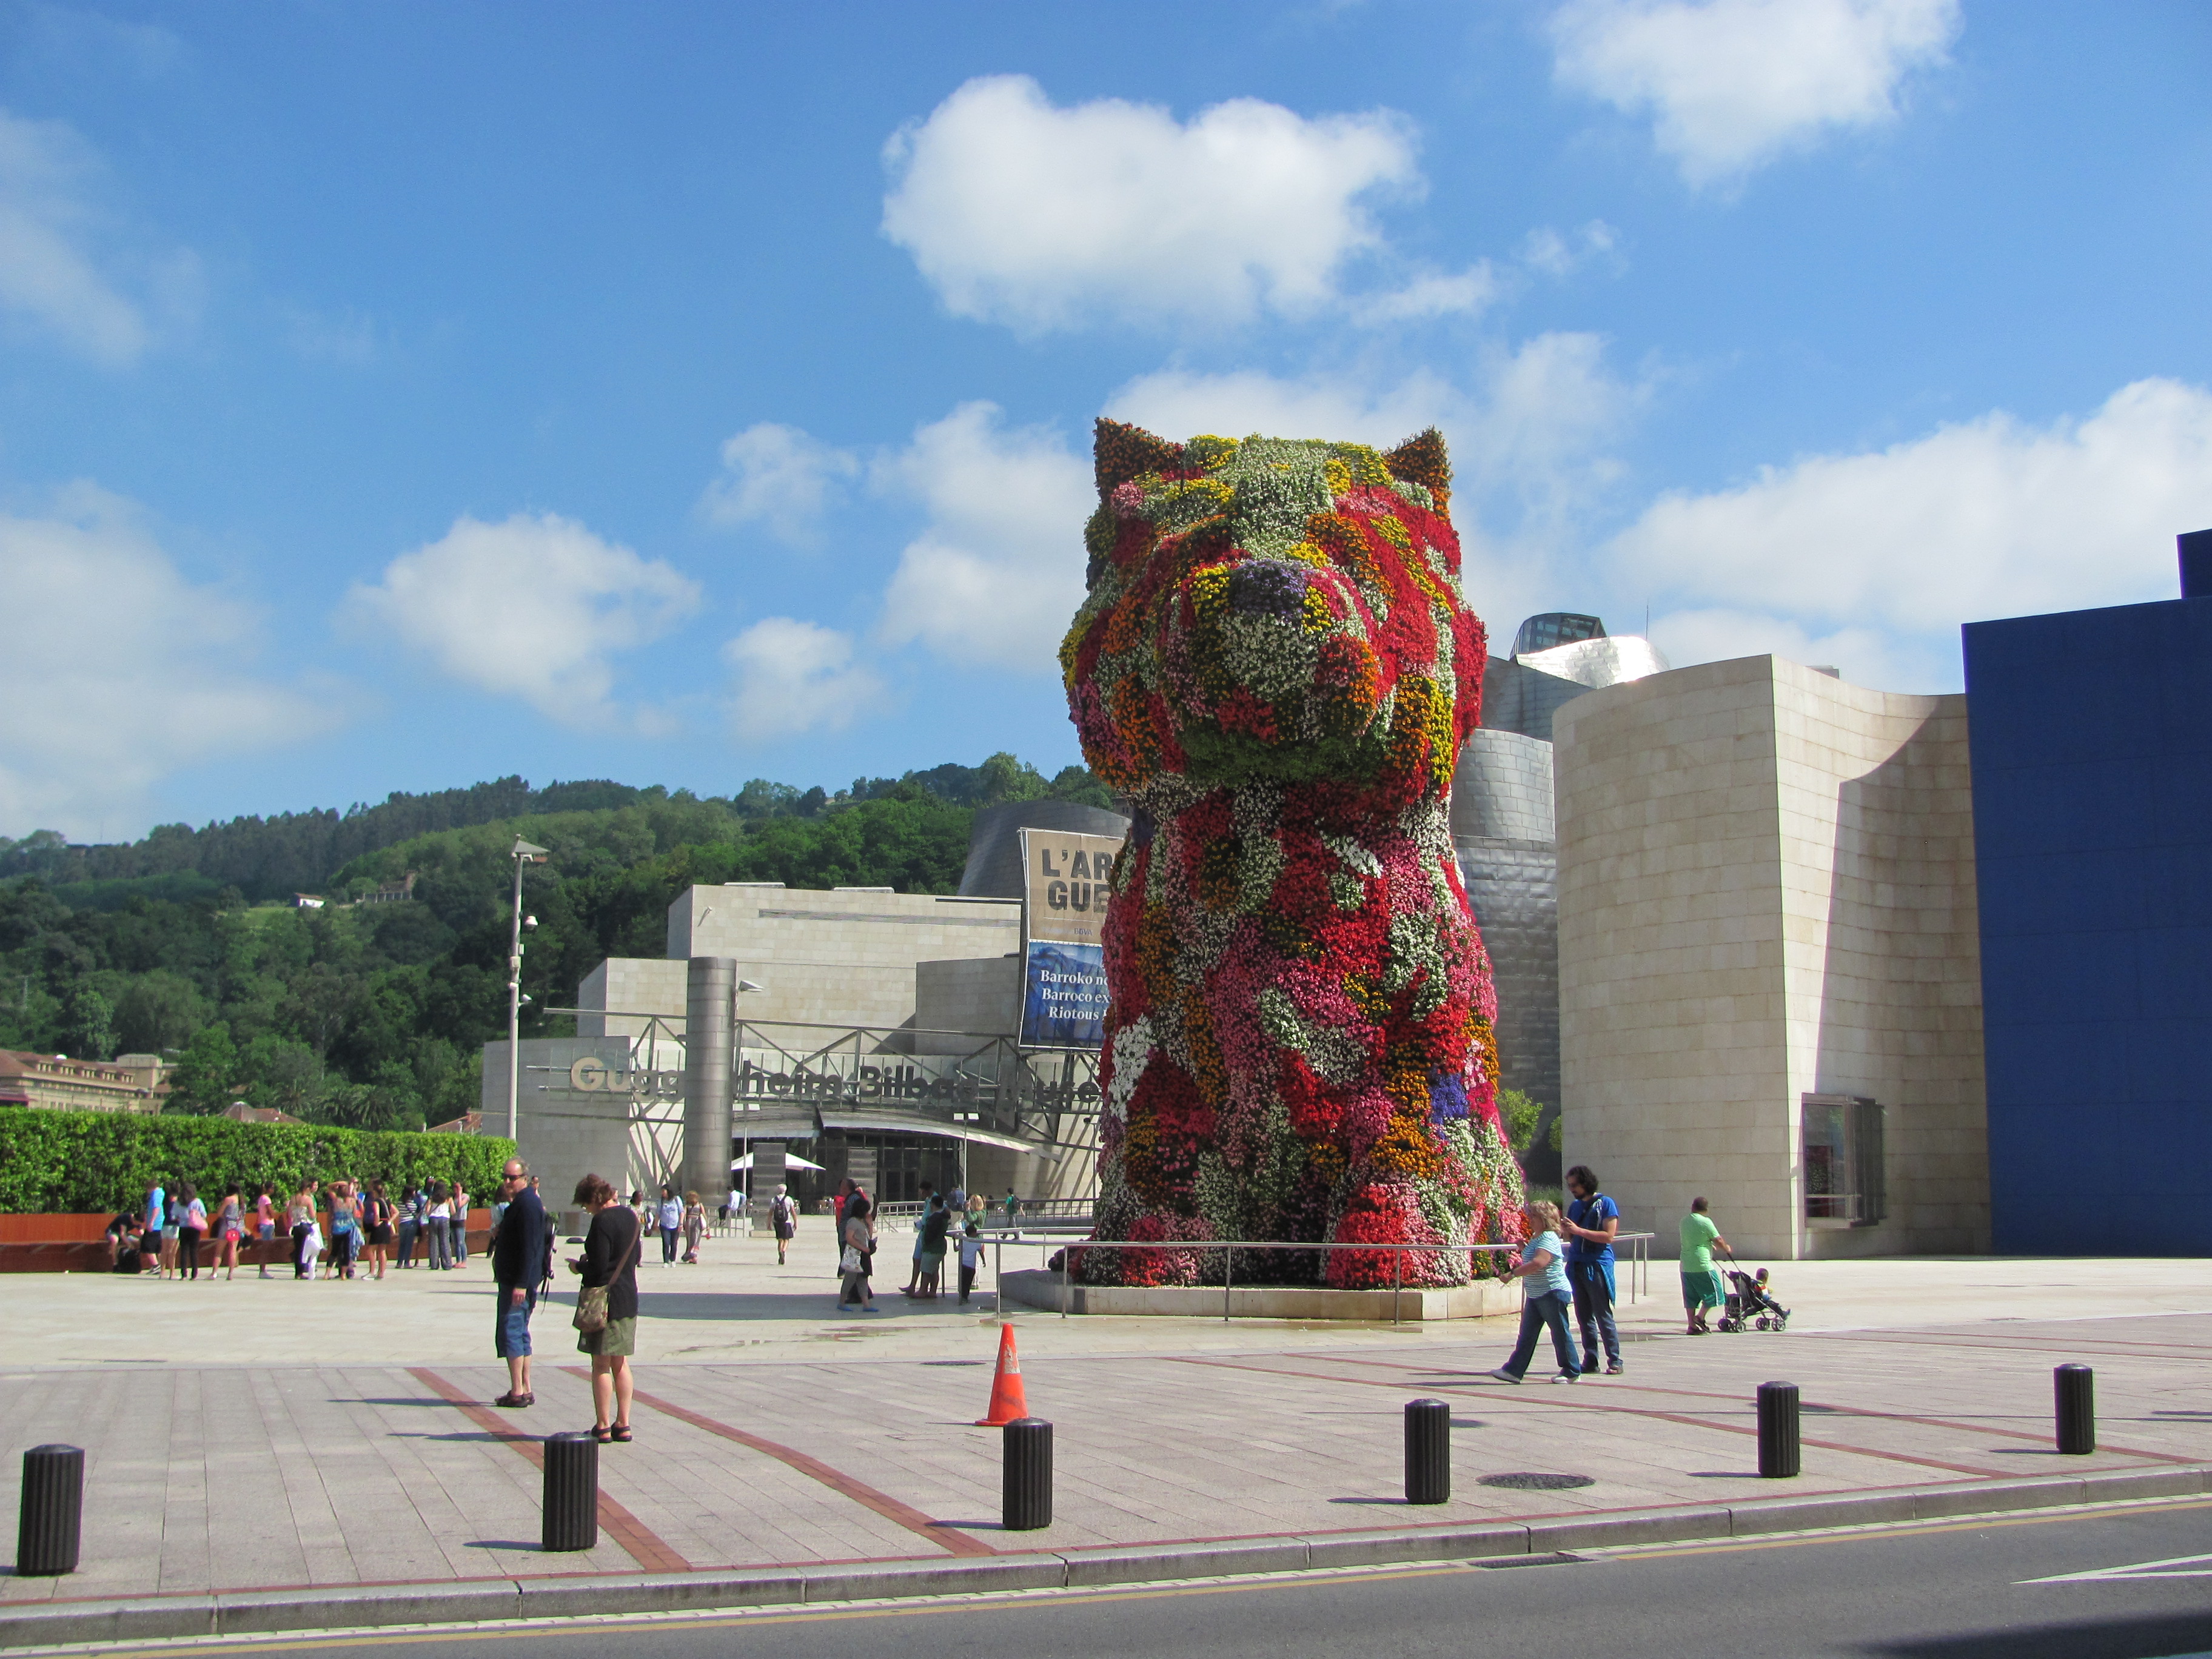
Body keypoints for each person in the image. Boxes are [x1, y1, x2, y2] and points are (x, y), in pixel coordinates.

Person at [569, 1173, 642, 1443]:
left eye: (586, 1205)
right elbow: (636, 1257)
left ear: (594, 1199)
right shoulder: (630, 1217)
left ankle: (602, 1425)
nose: (586, 1211)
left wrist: (580, 1267)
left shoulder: (602, 1221)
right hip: (627, 1297)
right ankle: (624, 1423)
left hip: (605, 1303)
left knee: (600, 1364)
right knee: (621, 1363)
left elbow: (599, 1268)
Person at [1490, 1199, 1580, 1384]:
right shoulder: (1538, 1237)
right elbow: (1536, 1257)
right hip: (1537, 1293)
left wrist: (1512, 1274)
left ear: (1544, 1218)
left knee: (1560, 1332)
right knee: (1527, 1333)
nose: (1529, 1219)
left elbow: (1540, 1262)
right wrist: (1524, 1248)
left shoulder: (1548, 1237)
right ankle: (1514, 1370)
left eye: (1534, 1216)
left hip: (1551, 1291)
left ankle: (1571, 1370)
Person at [493, 1159, 549, 1409]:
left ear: (524, 1178)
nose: (507, 1182)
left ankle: (518, 1390)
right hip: (518, 1280)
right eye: (505, 1177)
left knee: (512, 1331)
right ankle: (524, 1387)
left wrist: (521, 1284)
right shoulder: (523, 1203)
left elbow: (530, 1248)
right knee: (521, 1332)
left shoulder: (527, 1204)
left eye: (512, 1178)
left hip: (518, 1282)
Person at [1560, 1164, 1623, 1377]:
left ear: (1586, 1182)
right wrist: (1568, 1232)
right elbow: (1572, 1237)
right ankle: (1590, 1358)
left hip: (1597, 1264)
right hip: (1577, 1263)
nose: (1572, 1190)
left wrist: (1578, 1231)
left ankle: (1615, 1359)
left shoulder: (1606, 1204)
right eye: (1569, 1186)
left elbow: (1609, 1236)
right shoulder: (1575, 1207)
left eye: (1575, 1185)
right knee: (1583, 1315)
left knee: (1602, 1314)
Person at [1680, 1198, 1729, 1335]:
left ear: (1692, 1207)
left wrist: (1708, 1244)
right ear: (1706, 1210)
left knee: (1690, 1297)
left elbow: (1695, 1238)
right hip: (1702, 1264)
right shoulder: (1706, 1222)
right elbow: (1718, 1239)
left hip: (1685, 1264)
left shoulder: (1684, 1221)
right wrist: (1727, 1249)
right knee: (1716, 1292)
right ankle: (1700, 1317)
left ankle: (1691, 1326)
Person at [838, 1192, 877, 1313]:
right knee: (850, 1280)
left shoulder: (862, 1223)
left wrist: (870, 1224)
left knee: (863, 1280)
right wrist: (862, 1248)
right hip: (854, 1254)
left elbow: (869, 1237)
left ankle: (866, 1305)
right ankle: (842, 1302)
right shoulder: (853, 1222)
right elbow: (849, 1238)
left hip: (863, 1255)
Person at [911, 1192, 951, 1299]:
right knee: (934, 1270)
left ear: (932, 1205)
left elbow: (931, 1233)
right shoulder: (943, 1217)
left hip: (932, 1248)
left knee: (926, 1270)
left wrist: (926, 1240)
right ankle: (932, 1291)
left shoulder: (935, 1217)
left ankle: (923, 1290)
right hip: (939, 1247)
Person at [900, 1183, 937, 1295]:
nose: (921, 1194)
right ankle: (913, 1286)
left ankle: (926, 1290)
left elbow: (942, 1213)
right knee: (917, 1260)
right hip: (922, 1233)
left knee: (927, 1265)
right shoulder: (928, 1201)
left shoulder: (935, 1200)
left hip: (928, 1235)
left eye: (922, 1192)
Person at [211, 1183, 244, 1282]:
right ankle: (230, 1273)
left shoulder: (228, 1199)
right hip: (236, 1227)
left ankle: (214, 1273)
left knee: (219, 1251)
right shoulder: (242, 1202)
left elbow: (220, 1213)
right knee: (233, 1250)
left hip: (226, 1225)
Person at [328, 1181, 360, 1281]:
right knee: (347, 1252)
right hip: (349, 1228)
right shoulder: (352, 1201)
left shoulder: (336, 1201)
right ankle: (344, 1274)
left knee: (335, 1251)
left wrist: (340, 1183)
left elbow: (329, 1188)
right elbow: (356, 1214)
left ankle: (327, 1273)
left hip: (337, 1228)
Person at [362, 1180, 394, 1279]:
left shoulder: (376, 1201)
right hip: (386, 1226)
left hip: (379, 1226)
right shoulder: (387, 1200)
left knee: (371, 1250)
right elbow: (395, 1212)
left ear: (375, 1192)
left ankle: (371, 1272)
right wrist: (389, 1221)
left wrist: (376, 1223)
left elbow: (376, 1214)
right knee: (382, 1251)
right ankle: (381, 1273)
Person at [956, 1211, 987, 1306]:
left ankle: (963, 1296)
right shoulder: (976, 1243)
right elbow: (981, 1252)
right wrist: (984, 1261)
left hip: (963, 1265)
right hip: (971, 1266)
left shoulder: (964, 1241)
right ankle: (965, 1297)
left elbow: (956, 1249)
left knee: (963, 1281)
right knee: (968, 1282)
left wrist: (955, 1240)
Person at [178, 1183, 206, 1281]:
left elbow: (174, 1215)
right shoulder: (197, 1201)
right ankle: (194, 1274)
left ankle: (184, 1274)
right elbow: (204, 1214)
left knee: (184, 1251)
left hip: (183, 1228)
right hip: (194, 1228)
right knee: (194, 1250)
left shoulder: (179, 1202)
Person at [288, 1184, 317, 1280]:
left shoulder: (293, 1198)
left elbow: (289, 1213)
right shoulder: (308, 1199)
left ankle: (297, 1273)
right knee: (305, 1250)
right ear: (306, 1188)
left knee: (298, 1249)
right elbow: (313, 1215)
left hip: (295, 1226)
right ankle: (302, 1270)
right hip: (304, 1225)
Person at [426, 1181, 453, 1271]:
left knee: (433, 1242)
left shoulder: (432, 1198)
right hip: (444, 1219)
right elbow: (453, 1211)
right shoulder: (448, 1198)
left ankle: (434, 1264)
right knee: (445, 1241)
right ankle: (447, 1264)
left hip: (433, 1219)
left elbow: (427, 1212)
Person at [769, 1184, 797, 1265]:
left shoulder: (774, 1200)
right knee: (787, 1239)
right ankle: (784, 1251)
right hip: (787, 1221)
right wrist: (796, 1222)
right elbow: (793, 1212)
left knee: (780, 1239)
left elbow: (770, 1212)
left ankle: (780, 1251)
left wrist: (769, 1223)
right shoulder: (789, 1199)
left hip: (777, 1221)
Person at [253, 1185, 276, 1279]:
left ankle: (263, 1270)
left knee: (265, 1248)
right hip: (268, 1224)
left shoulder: (261, 1199)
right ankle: (263, 1271)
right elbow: (271, 1212)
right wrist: (274, 1213)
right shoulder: (267, 1199)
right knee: (266, 1249)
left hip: (263, 1223)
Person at [395, 1185, 420, 1269]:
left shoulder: (400, 1201)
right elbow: (418, 1212)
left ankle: (399, 1262)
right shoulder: (413, 1202)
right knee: (409, 1243)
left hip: (402, 1223)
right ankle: (407, 1262)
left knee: (402, 1243)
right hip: (411, 1223)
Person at [657, 1185, 682, 1265]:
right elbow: (658, 1213)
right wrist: (655, 1224)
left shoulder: (676, 1199)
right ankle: (666, 1261)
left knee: (674, 1243)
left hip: (675, 1225)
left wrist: (681, 1223)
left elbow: (682, 1212)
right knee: (666, 1242)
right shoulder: (661, 1201)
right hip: (664, 1225)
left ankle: (673, 1260)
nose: (662, 1193)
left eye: (664, 1191)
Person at [680, 1191, 705, 1264]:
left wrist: (682, 1223)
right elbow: (703, 1214)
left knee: (690, 1240)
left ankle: (690, 1255)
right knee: (696, 1240)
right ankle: (693, 1256)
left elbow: (684, 1214)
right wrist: (707, 1225)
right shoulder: (700, 1205)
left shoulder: (687, 1206)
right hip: (697, 1222)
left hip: (689, 1222)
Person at [449, 1179, 470, 1265]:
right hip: (453, 1220)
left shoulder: (465, 1196)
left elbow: (460, 1205)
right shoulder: (453, 1197)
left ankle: (464, 1261)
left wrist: (460, 1193)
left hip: (461, 1220)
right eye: (455, 1187)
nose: (456, 1189)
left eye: (458, 1187)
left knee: (461, 1241)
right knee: (455, 1242)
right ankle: (458, 1261)